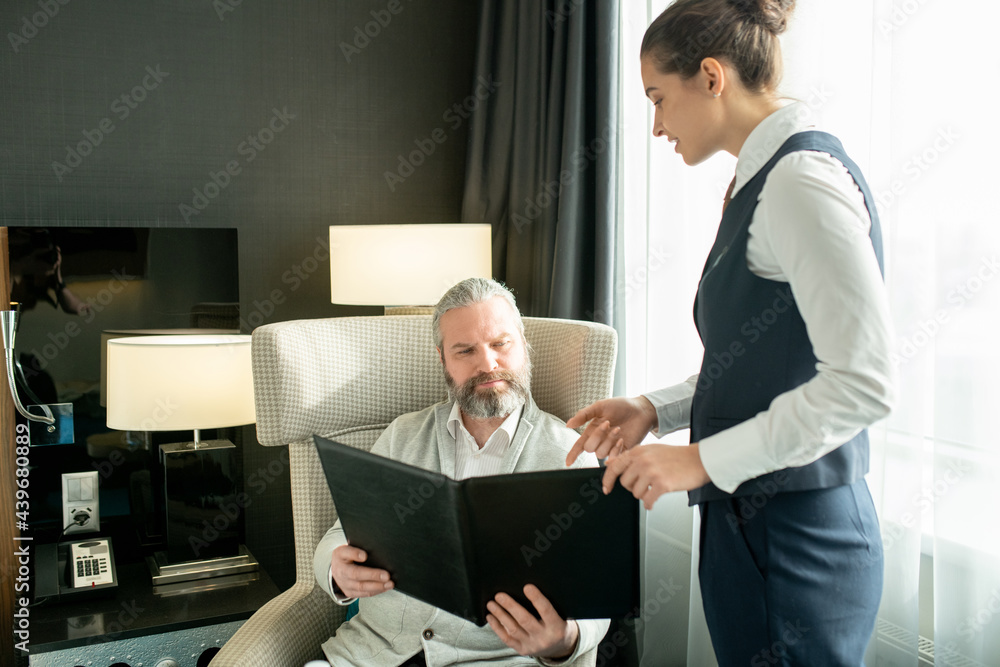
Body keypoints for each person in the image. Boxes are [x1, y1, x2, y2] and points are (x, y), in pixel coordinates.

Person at [566, 1, 894, 664]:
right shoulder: (759, 178)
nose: (656, 125)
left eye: (658, 98)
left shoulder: (801, 183)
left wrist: (696, 461)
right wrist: (655, 410)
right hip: (750, 525)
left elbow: (864, 383)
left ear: (712, 77)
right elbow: (759, 362)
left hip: (798, 537)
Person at [314, 278, 610, 667]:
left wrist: (565, 639)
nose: (487, 364)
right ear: (443, 360)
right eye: (466, 350)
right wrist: (336, 566)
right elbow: (344, 532)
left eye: (501, 344)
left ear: (523, 344)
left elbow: (598, 593)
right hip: (370, 656)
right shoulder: (403, 434)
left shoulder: (569, 454)